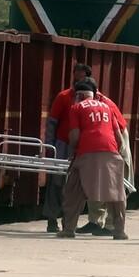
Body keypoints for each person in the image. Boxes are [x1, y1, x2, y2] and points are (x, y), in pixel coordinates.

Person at [57, 80, 128, 240]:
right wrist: (116, 153)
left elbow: (74, 135)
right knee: (116, 193)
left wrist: (73, 151)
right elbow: (118, 135)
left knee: (73, 190)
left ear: (79, 96)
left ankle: (68, 229)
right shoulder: (108, 108)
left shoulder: (76, 108)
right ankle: (119, 231)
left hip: (86, 152)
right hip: (111, 152)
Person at [76, 78, 132, 236]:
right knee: (94, 182)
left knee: (113, 186)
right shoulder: (89, 102)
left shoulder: (105, 104)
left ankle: (111, 225)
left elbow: (117, 130)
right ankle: (95, 221)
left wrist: (117, 153)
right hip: (104, 143)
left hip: (116, 141)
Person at [43, 63, 92, 232]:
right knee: (56, 183)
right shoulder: (63, 97)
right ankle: (51, 220)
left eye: (82, 76)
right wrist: (50, 146)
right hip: (62, 145)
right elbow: (52, 122)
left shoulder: (91, 100)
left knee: (74, 185)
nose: (79, 78)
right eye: (77, 75)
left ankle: (68, 221)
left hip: (81, 146)